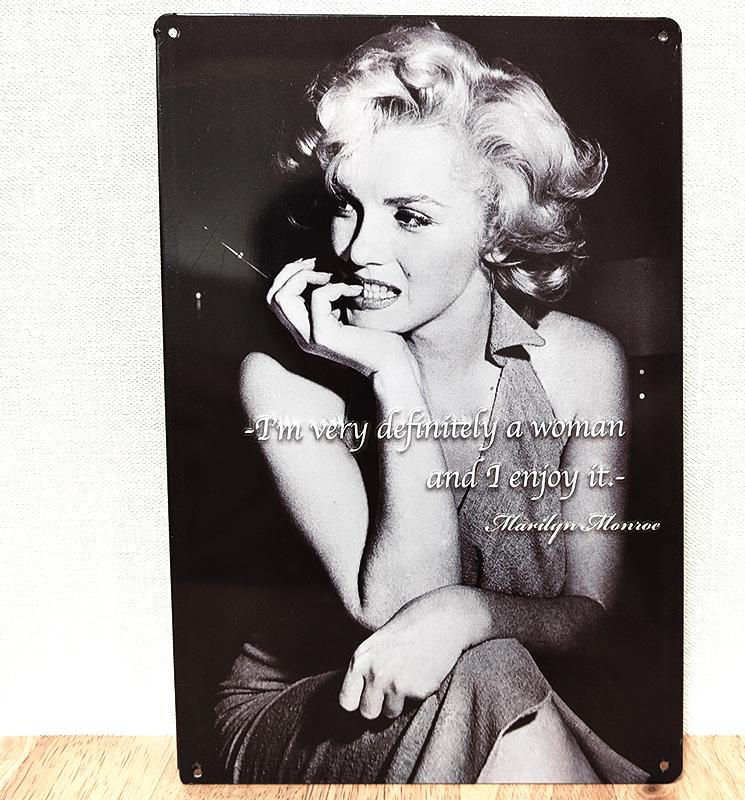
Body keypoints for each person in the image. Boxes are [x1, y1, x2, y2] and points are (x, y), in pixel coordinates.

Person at [214, 23, 648, 783]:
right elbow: (401, 609)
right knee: (490, 672)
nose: (356, 250)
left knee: (491, 667)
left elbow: (592, 615)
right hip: (310, 711)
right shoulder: (281, 382)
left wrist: (471, 614)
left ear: (496, 228)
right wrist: (393, 377)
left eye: (409, 216)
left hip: (502, 686)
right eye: (347, 205)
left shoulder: (581, 365)